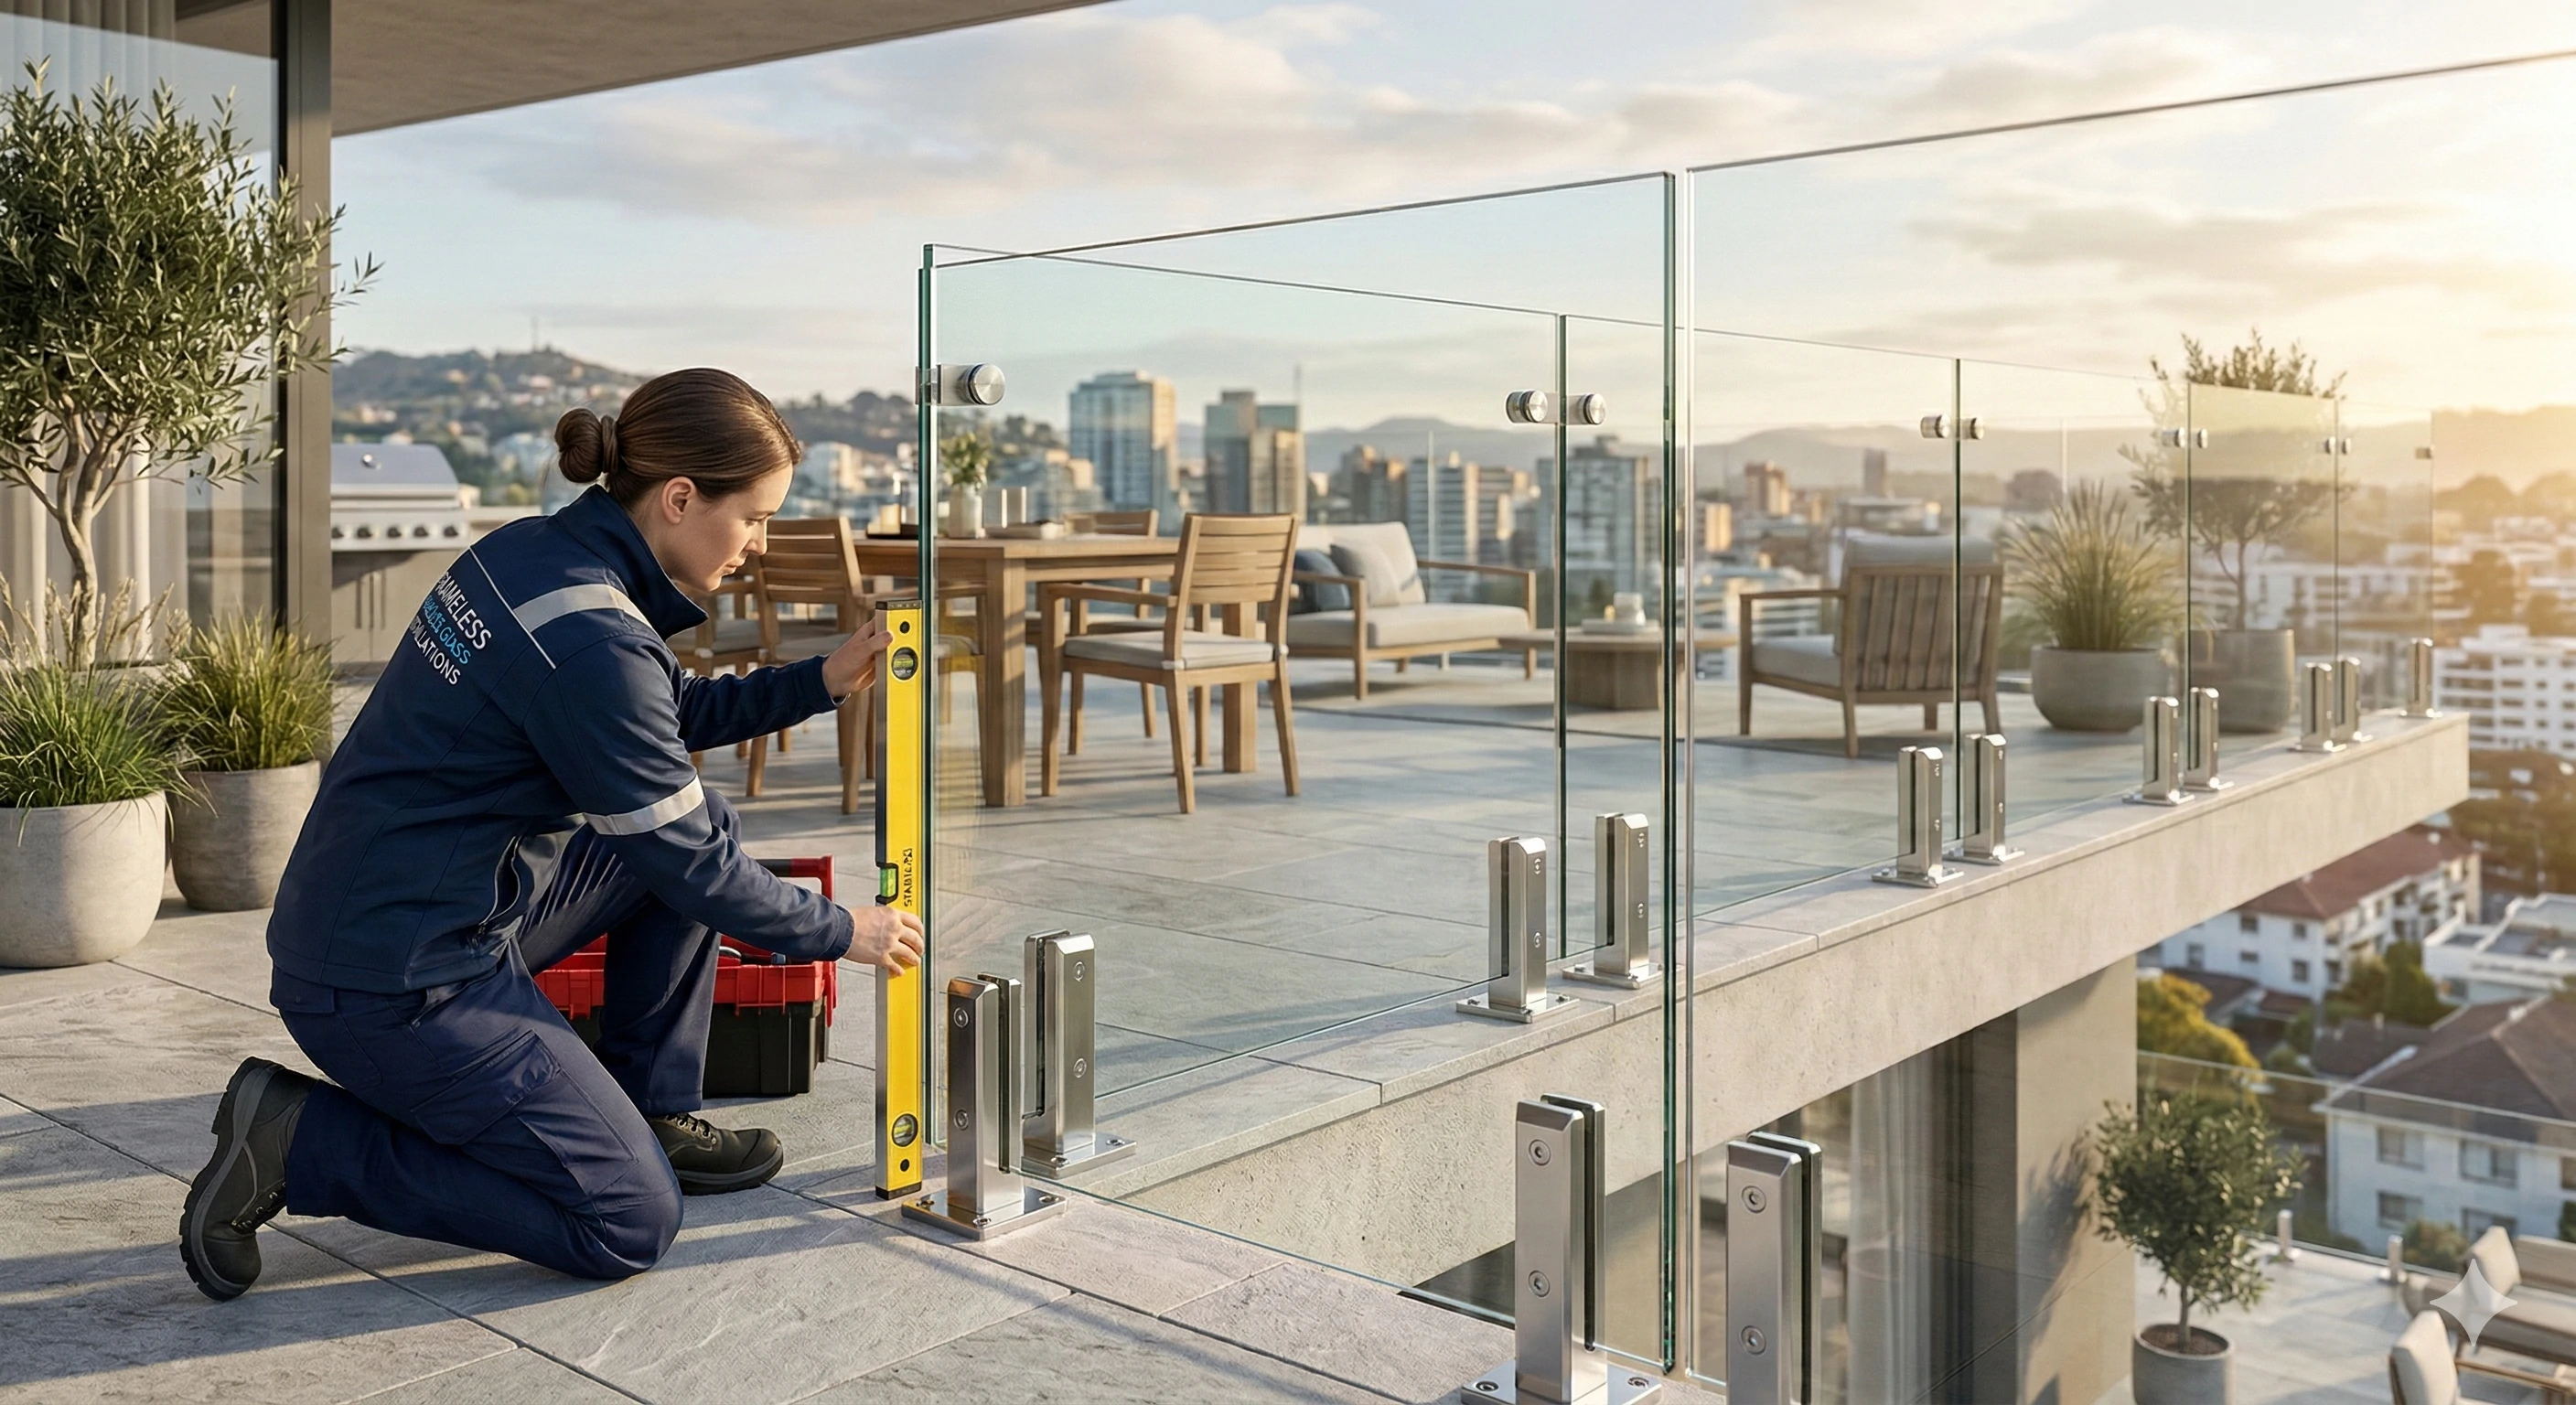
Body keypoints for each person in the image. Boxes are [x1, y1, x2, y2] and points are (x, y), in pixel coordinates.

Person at [177, 368, 924, 1301]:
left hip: (385, 915)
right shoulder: (592, 641)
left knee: (700, 822)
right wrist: (840, 930)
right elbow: (688, 864)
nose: (759, 546)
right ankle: (301, 1143)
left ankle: (649, 1112)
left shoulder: (536, 553)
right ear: (680, 498)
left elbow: (658, 717)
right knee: (626, 1221)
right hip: (398, 982)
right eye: (754, 518)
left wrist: (815, 681)